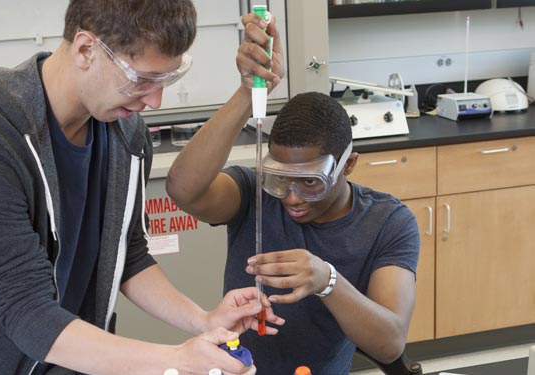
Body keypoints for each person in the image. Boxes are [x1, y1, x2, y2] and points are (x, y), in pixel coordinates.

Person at [0, 1, 284, 374]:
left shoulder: (126, 135)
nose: (154, 101)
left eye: (167, 80)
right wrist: (177, 360)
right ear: (86, 49)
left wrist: (203, 319)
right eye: (142, 80)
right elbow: (28, 312)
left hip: (62, 358)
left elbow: (128, 255)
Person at [166, 20, 420, 374]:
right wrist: (248, 91)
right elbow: (182, 189)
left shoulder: (388, 223)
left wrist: (327, 281)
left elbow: (390, 342)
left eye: (310, 182)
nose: (292, 197)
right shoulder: (252, 195)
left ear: (348, 166)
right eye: (280, 179)